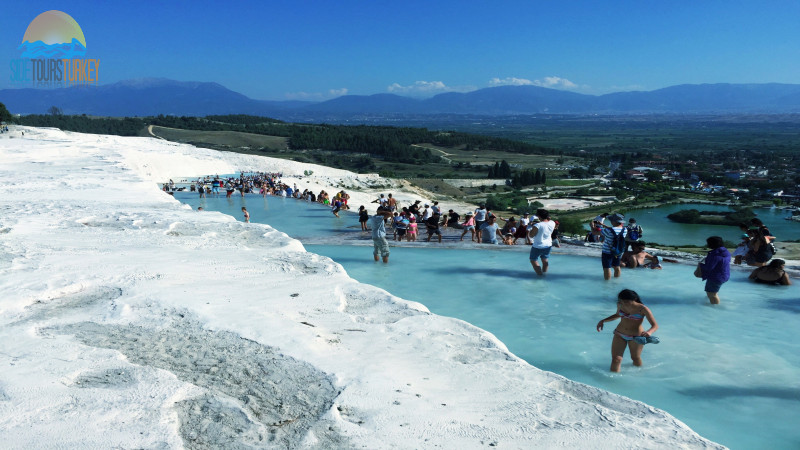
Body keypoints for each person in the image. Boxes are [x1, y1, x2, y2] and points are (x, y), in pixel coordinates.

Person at [596, 289, 659, 372]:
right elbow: (617, 315)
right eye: (621, 301)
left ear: (634, 299)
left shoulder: (643, 309)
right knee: (616, 359)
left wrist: (649, 332)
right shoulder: (620, 304)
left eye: (626, 301)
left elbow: (655, 325)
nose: (623, 303)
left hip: (636, 337)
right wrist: (603, 320)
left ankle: (639, 375)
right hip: (619, 334)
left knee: (635, 358)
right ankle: (613, 382)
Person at [694, 236, 731, 305]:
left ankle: (714, 309)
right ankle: (714, 303)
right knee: (714, 292)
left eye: (708, 243)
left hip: (715, 277)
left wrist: (700, 265)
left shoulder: (714, 255)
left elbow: (709, 268)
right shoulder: (725, 251)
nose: (707, 244)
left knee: (711, 294)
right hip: (724, 274)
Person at [599, 214, 627, 280]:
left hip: (607, 252)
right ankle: (616, 281)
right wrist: (603, 225)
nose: (611, 222)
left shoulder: (608, 231)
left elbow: (594, 232)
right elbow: (614, 229)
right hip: (618, 251)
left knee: (607, 267)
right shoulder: (625, 230)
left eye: (611, 220)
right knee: (617, 266)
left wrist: (592, 226)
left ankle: (607, 283)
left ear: (614, 222)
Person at [529, 209, 555, 276]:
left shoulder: (538, 225)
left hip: (538, 245)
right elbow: (548, 221)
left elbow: (531, 235)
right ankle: (545, 274)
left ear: (539, 216)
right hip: (548, 245)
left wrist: (531, 227)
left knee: (533, 260)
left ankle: (539, 275)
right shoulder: (552, 223)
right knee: (545, 260)